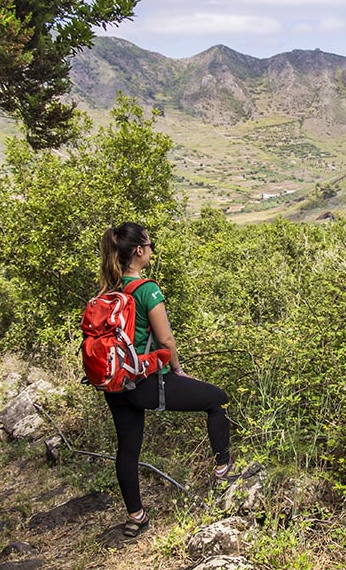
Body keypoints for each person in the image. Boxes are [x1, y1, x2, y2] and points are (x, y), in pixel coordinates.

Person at [98, 222, 231, 538]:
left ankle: (136, 517)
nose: (152, 250)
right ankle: (224, 471)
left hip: (115, 384)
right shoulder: (146, 290)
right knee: (217, 398)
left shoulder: (107, 292)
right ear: (140, 251)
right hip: (144, 383)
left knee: (127, 450)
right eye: (150, 244)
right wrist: (178, 371)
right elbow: (166, 340)